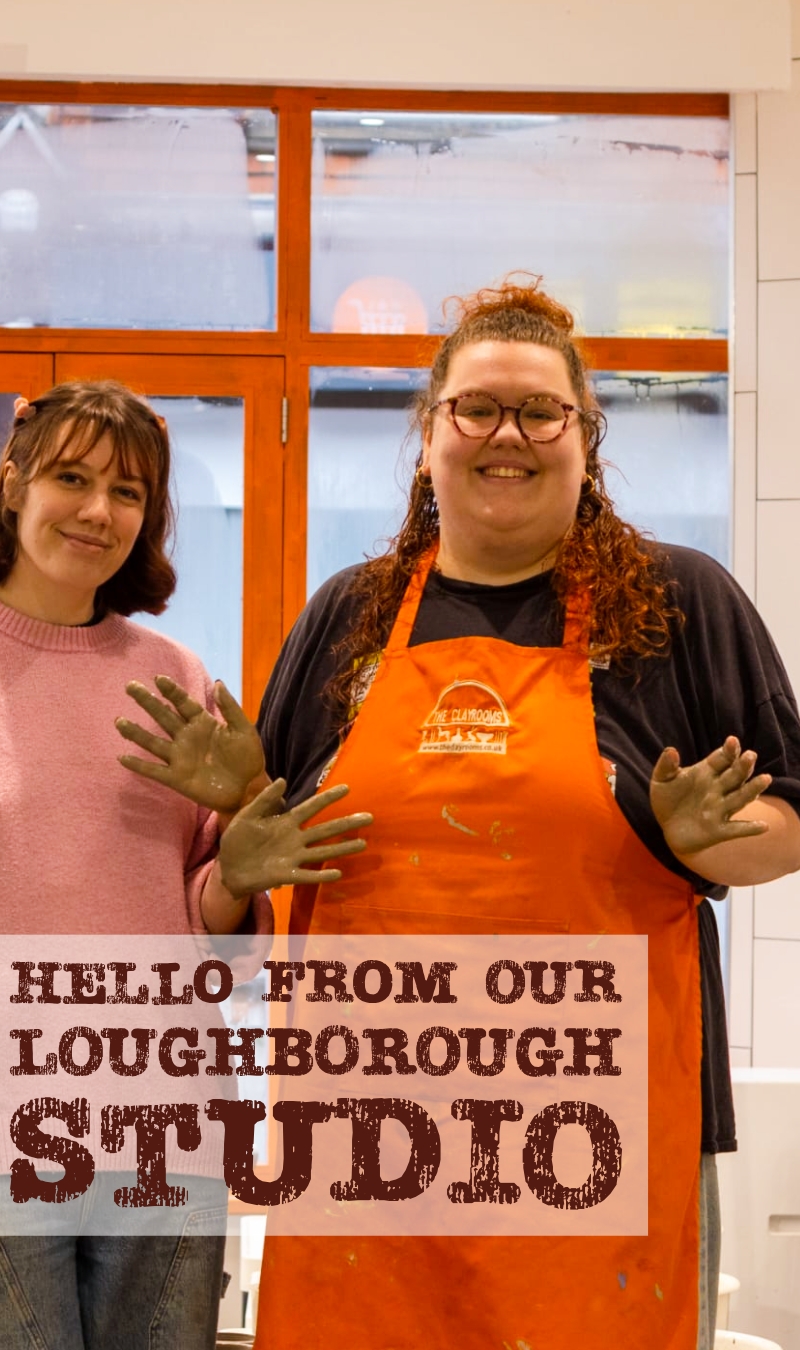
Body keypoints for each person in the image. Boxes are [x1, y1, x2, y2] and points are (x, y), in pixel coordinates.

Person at [247, 280, 800, 1350]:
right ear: (429, 436)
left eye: (543, 412)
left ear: (586, 441)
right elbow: (258, 841)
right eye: (478, 408)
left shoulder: (684, 604)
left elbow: (792, 811)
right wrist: (234, 849)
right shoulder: (349, 618)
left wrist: (706, 842)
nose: (511, 435)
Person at [0, 379, 366, 1350]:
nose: (97, 510)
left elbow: (209, 947)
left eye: (128, 492)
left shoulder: (173, 681)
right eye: (71, 478)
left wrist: (241, 876)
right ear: (12, 484)